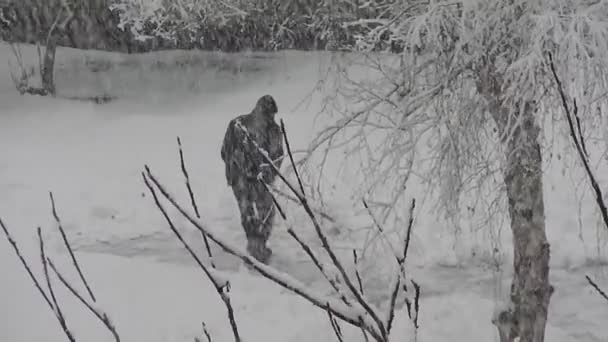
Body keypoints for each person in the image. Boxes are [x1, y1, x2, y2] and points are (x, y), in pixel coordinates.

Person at [221, 95, 284, 263]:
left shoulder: (274, 131)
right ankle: (255, 247)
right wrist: (237, 166)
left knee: (267, 212)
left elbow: (278, 156)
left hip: (262, 179)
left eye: (272, 115)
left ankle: (259, 246)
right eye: (268, 114)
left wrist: (269, 172)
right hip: (240, 178)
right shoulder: (238, 125)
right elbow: (225, 151)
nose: (270, 118)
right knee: (248, 212)